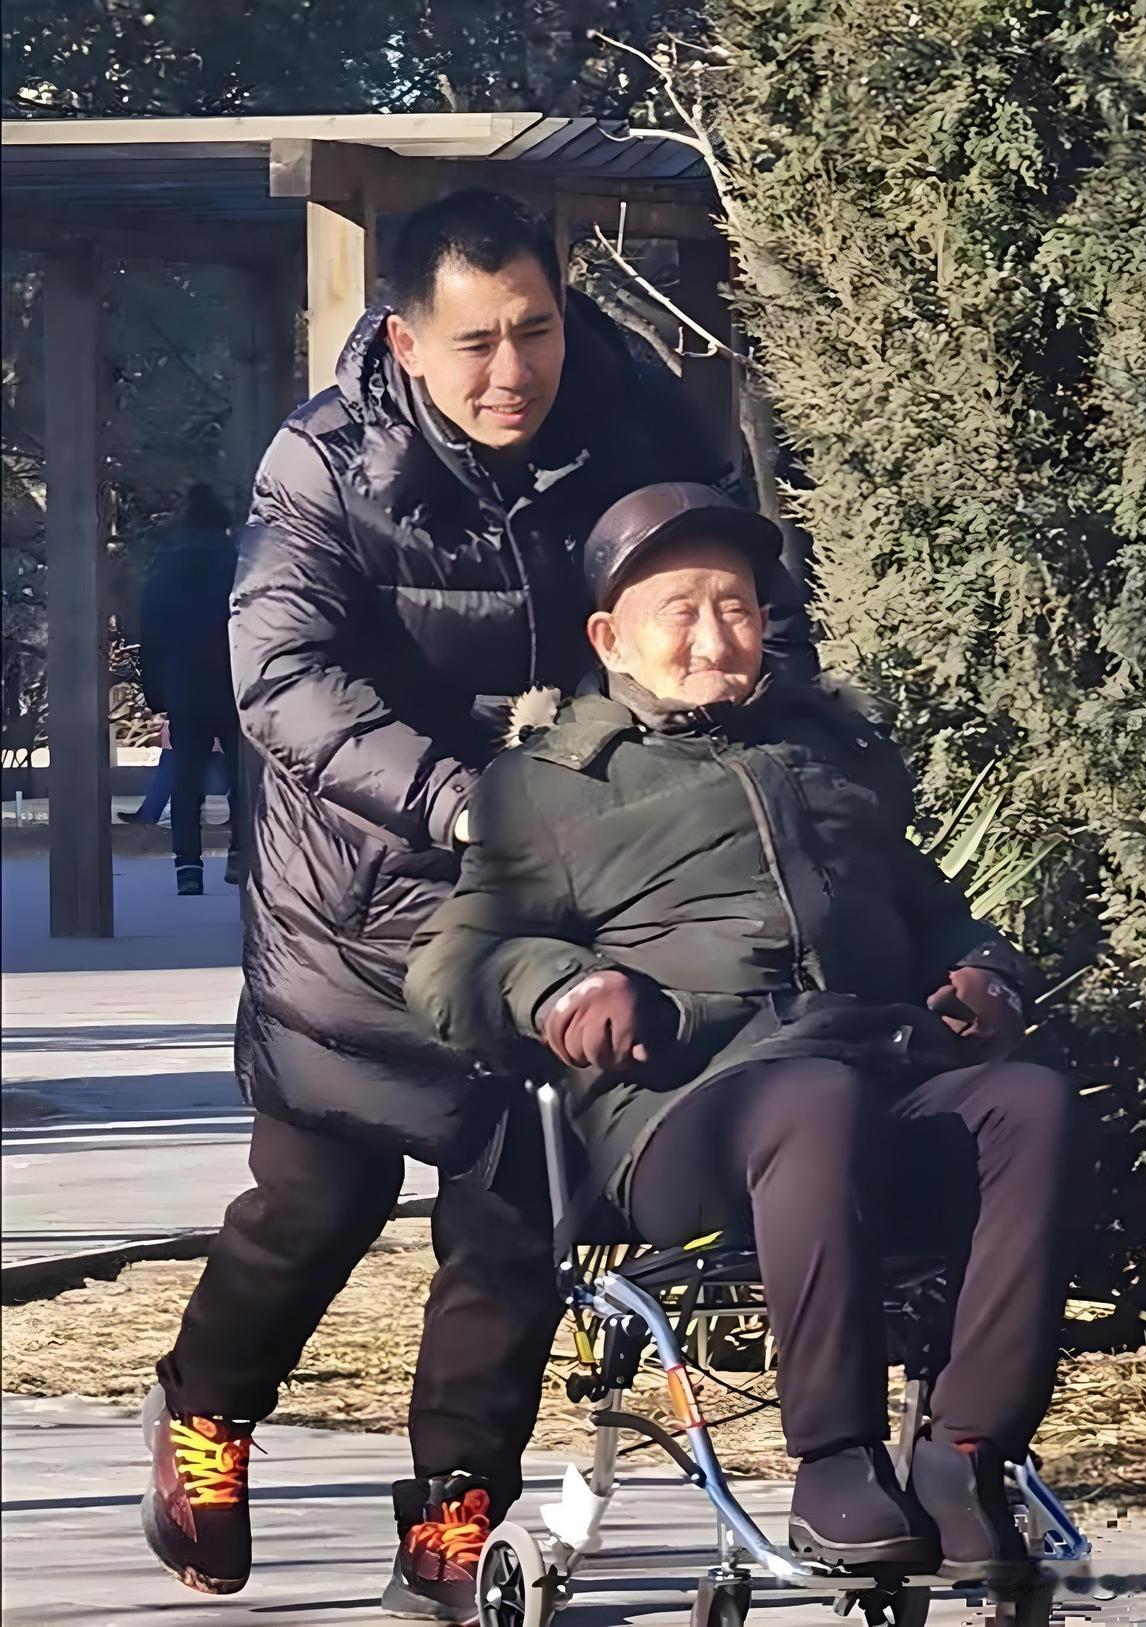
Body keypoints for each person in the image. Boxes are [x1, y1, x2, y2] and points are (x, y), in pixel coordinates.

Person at [141, 192, 815, 1618]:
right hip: (361, 897)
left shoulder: (638, 420)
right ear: (405, 338)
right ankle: (206, 1408)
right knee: (316, 1201)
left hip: (574, 887)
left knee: (514, 1218)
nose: (513, 370)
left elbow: (748, 598)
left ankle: (457, 1508)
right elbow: (281, 675)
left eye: (536, 330)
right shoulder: (326, 460)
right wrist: (458, 799)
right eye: (475, 343)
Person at [404, 482, 1089, 1586]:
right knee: (812, 1098)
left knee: (1026, 1102)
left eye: (734, 607)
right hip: (685, 1111)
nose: (714, 637)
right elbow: (448, 965)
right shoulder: (549, 788)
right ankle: (835, 1457)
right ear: (608, 638)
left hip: (875, 1070)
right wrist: (562, 989)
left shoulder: (826, 752)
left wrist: (983, 970)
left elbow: (930, 906)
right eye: (678, 611)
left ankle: (967, 1451)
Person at [137, 483, 242, 892]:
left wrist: (156, 693)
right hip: (233, 682)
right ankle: (240, 852)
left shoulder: (166, 568)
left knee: (187, 776)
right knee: (242, 777)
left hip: (184, 682)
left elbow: (151, 632)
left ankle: (188, 867)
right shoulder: (237, 563)